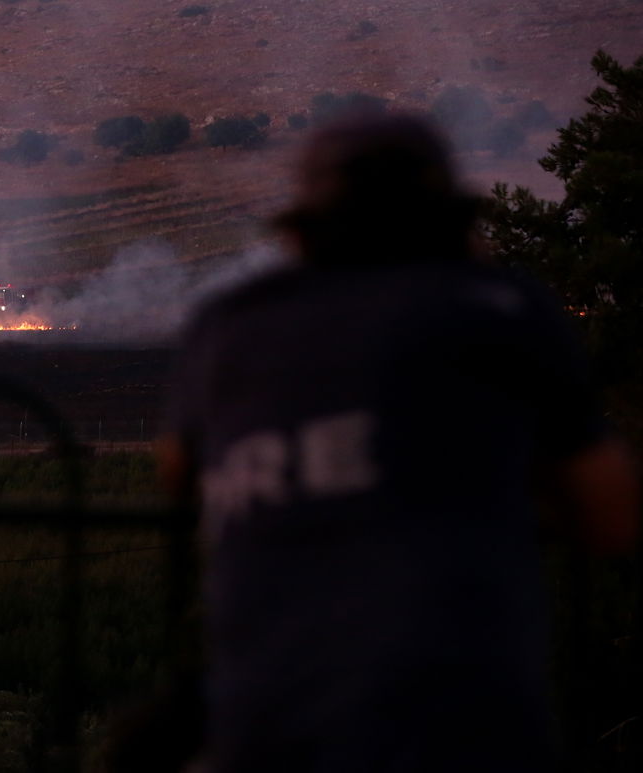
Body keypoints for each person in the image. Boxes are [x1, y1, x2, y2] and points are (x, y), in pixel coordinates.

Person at [157, 114, 637, 772]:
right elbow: (612, 517)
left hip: (263, 733)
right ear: (455, 225)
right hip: (463, 734)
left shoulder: (227, 327)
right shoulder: (500, 307)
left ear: (300, 233)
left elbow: (177, 474)